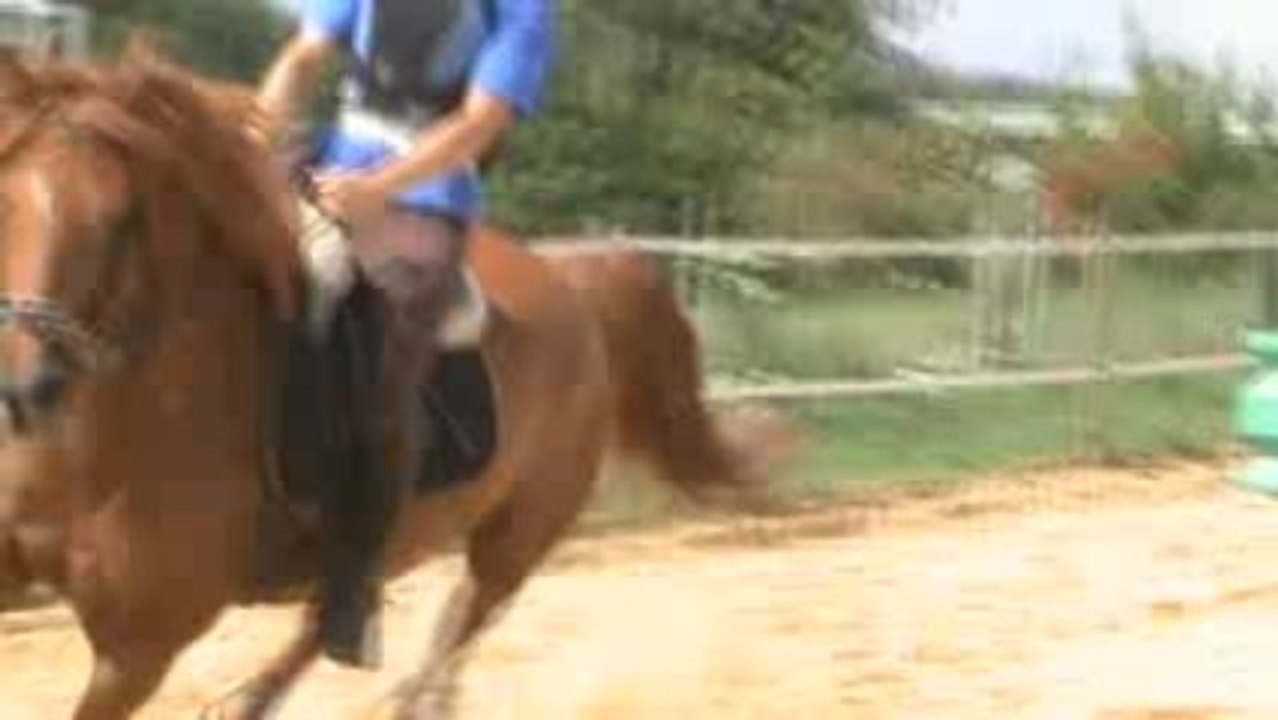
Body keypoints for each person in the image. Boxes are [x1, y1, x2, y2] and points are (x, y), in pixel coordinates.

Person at [254, 0, 555, 668]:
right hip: (329, 159)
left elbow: (481, 122)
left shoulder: (520, 12)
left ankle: (352, 581)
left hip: (425, 196)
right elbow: (303, 56)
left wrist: (379, 189)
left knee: (379, 357)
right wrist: (257, 138)